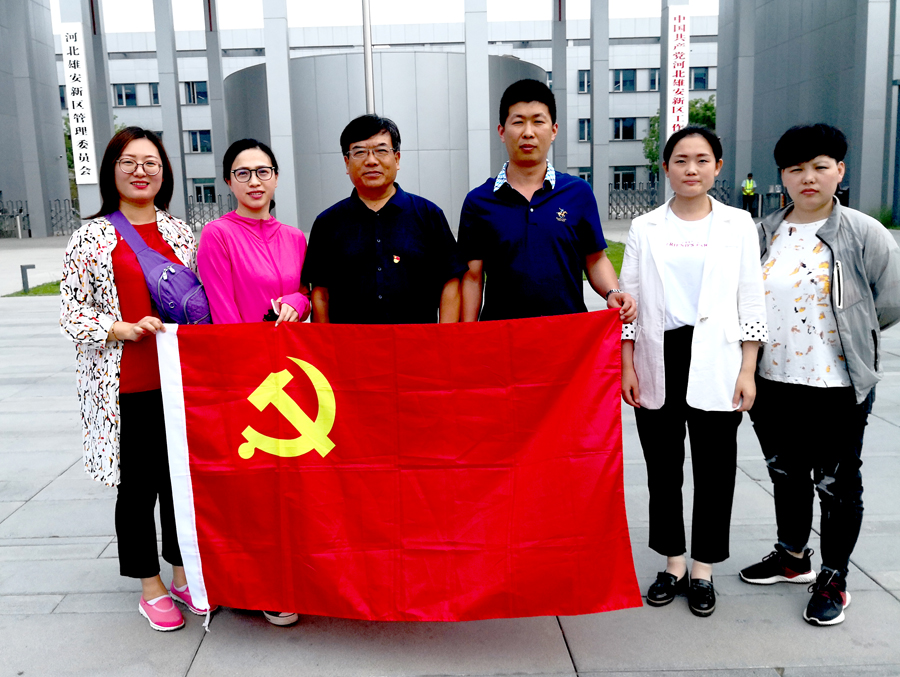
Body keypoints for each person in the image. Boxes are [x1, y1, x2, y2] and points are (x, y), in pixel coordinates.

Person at [739, 124, 900, 626]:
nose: (808, 177)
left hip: (837, 386)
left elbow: (890, 300)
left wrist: (855, 337)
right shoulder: (763, 232)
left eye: (819, 167)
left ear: (839, 170)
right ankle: (792, 557)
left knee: (836, 482)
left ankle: (834, 577)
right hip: (773, 381)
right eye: (796, 169)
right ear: (782, 176)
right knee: (785, 474)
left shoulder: (862, 232)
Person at [60, 127, 213, 631]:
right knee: (137, 488)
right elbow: (70, 312)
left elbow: (200, 302)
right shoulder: (91, 237)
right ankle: (150, 585)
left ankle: (182, 572)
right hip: (123, 385)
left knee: (179, 483)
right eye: (129, 162)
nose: (140, 171)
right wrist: (117, 328)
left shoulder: (180, 233)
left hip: (178, 383)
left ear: (164, 172)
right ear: (113, 171)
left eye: (151, 162)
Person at [619, 125, 768, 617]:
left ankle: (703, 568)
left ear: (717, 167)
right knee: (663, 470)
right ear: (665, 168)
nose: (691, 169)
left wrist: (748, 368)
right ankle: (673, 563)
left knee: (715, 469)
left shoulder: (738, 224)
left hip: (719, 359)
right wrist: (626, 364)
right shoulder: (645, 227)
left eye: (702, 160)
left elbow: (751, 299)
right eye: (680, 160)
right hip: (658, 354)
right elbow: (628, 301)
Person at [197, 138, 310, 626]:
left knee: (291, 484)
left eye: (263, 171)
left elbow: (306, 291)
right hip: (246, 378)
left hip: (293, 374)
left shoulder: (296, 237)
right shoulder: (217, 235)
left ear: (277, 178)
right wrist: (246, 370)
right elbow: (222, 312)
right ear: (228, 182)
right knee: (252, 488)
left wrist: (297, 303)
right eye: (242, 173)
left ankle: (292, 574)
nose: (254, 181)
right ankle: (254, 583)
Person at [457, 78, 635, 323]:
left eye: (538, 121)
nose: (528, 132)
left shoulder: (578, 193)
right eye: (518, 122)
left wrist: (612, 292)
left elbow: (595, 259)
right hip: (503, 336)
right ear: (502, 132)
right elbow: (473, 277)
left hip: (567, 334)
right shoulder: (479, 202)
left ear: (553, 131)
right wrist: (467, 334)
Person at [302, 114, 466, 324]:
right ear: (347, 162)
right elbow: (321, 294)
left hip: (417, 342)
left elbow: (450, 282)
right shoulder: (327, 223)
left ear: (396, 159)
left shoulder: (428, 215)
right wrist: (325, 342)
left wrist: (444, 338)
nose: (371, 161)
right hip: (349, 343)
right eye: (359, 152)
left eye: (381, 150)